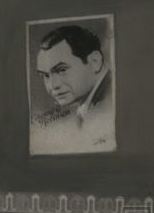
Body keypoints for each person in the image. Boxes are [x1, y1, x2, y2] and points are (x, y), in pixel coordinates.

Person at [31, 24, 115, 154]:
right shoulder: (91, 106)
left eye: (62, 70)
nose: (53, 86)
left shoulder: (110, 104)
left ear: (95, 61)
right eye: (45, 75)